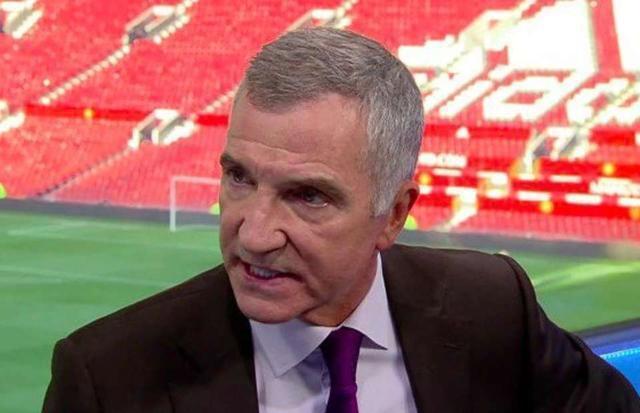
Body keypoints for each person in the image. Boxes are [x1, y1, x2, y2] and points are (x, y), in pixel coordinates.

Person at [43, 27, 639, 413]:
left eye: (308, 197)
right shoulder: (109, 380)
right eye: (239, 178)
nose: (253, 234)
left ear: (394, 215)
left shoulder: (492, 306)